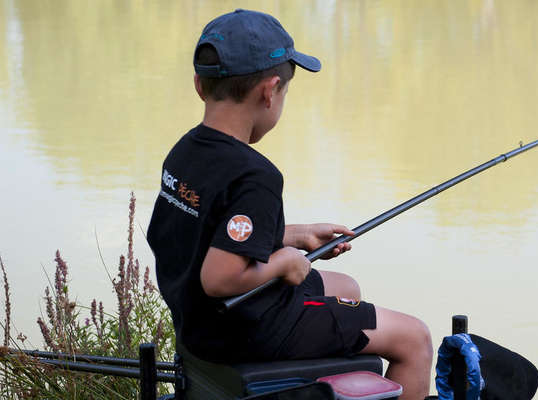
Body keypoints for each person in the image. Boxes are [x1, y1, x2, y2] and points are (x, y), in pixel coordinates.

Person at [145, 9, 431, 399]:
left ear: (200, 85)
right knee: (413, 338)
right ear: (269, 90)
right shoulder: (255, 175)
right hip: (247, 329)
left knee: (347, 286)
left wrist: (292, 235)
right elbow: (219, 278)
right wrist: (283, 260)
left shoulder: (186, 153)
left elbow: (204, 234)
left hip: (199, 324)